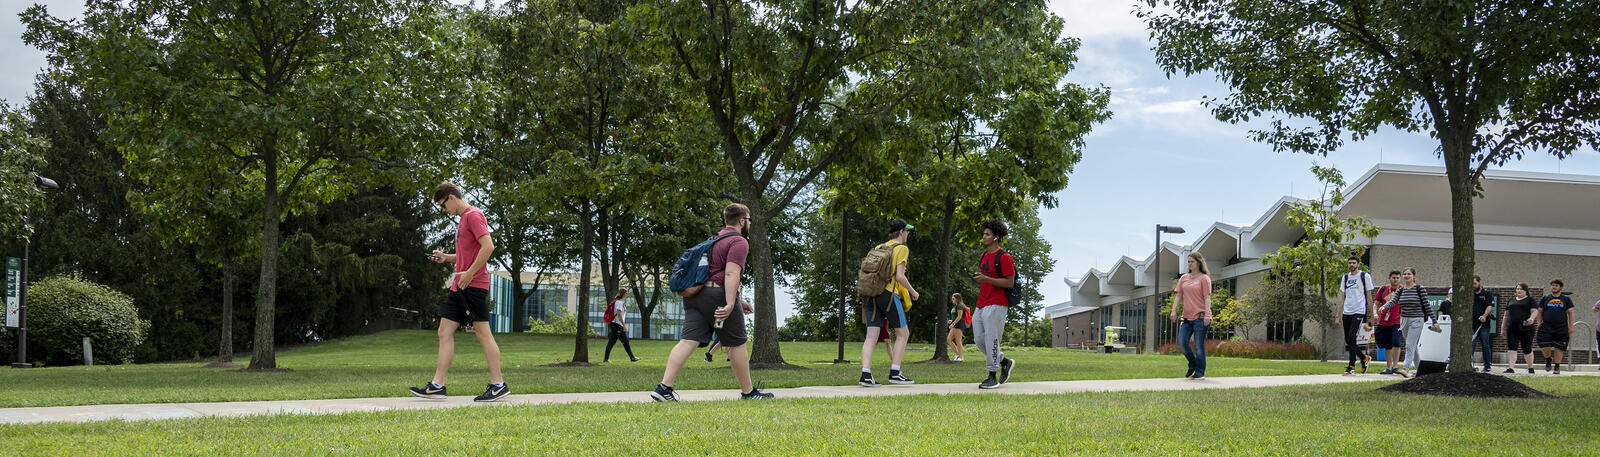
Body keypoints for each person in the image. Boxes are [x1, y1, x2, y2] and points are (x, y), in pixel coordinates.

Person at [650, 203, 771, 401]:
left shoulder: (714, 240)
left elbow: (712, 273)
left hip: (695, 296)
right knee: (737, 343)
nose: (749, 224)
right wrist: (731, 304)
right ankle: (749, 393)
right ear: (742, 221)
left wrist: (740, 301)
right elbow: (731, 274)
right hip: (717, 297)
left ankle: (664, 388)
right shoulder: (739, 242)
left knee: (687, 341)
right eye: (749, 220)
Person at [410, 182, 509, 402]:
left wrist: (470, 273)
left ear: (451, 197)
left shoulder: (473, 215)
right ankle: (437, 385)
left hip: (472, 285)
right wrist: (448, 258)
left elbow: (488, 247)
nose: (445, 210)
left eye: (444, 205)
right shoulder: (463, 219)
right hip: (459, 285)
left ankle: (498, 384)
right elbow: (469, 252)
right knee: (444, 331)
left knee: (483, 333)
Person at [860, 219, 920, 387]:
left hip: (871, 293)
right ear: (901, 232)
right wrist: (913, 292)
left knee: (871, 336)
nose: (907, 234)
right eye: (907, 231)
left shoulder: (880, 247)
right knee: (903, 334)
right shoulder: (902, 249)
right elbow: (900, 277)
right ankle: (895, 372)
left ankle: (865, 374)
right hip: (888, 294)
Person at [971, 219, 1017, 389]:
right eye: (984, 233)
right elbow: (987, 280)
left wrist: (986, 279)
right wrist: (981, 279)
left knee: (992, 339)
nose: (983, 236)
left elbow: (1009, 282)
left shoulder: (1005, 257)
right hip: (981, 303)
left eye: (987, 234)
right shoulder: (984, 256)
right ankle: (1004, 361)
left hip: (997, 303)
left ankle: (992, 376)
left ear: (996, 237)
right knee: (978, 339)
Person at [1377, 267, 1438, 378]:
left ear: (1414, 276)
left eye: (1408, 274)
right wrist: (1384, 306)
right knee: (1413, 346)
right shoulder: (1401, 290)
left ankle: (1406, 368)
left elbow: (1427, 306)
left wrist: (1434, 321)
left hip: (1417, 320)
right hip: (1404, 320)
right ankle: (1421, 370)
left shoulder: (1420, 289)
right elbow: (1393, 300)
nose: (1406, 276)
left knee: (1409, 345)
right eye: (1405, 274)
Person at [1169, 252, 1214, 380]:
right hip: (1187, 317)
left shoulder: (1204, 278)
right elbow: (1178, 296)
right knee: (1182, 342)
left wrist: (1207, 314)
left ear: (1199, 262)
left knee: (1199, 345)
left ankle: (1200, 372)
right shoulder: (1184, 278)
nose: (1189, 264)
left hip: (1201, 317)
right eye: (1188, 262)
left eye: (1192, 262)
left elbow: (1207, 297)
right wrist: (1173, 311)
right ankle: (1193, 364)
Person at [1334, 255, 1375, 375]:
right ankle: (1363, 358)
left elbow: (1369, 296)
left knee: (1352, 337)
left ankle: (1351, 366)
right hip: (1347, 311)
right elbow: (1342, 297)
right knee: (1348, 340)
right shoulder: (1345, 277)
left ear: (1358, 264)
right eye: (1350, 263)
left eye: (1353, 263)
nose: (1351, 265)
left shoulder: (1364, 276)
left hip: (1359, 310)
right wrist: (1338, 315)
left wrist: (1371, 315)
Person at [1535, 279, 1575, 375]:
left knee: (1559, 347)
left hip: (1561, 327)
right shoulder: (1545, 298)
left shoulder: (1566, 299)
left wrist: (1571, 326)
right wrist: (1539, 323)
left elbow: (1571, 312)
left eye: (1556, 285)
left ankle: (1557, 366)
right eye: (1552, 285)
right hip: (1546, 326)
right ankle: (1548, 359)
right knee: (1545, 345)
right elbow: (1539, 311)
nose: (1554, 287)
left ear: (1560, 287)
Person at [1373, 271, 1404, 375]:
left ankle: (1395, 366)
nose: (1395, 280)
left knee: (1396, 342)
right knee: (1387, 344)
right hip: (1384, 321)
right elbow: (1376, 304)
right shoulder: (1383, 289)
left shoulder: (1403, 290)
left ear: (1400, 279)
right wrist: (1375, 314)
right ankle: (1388, 367)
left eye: (1397, 278)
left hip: (1397, 321)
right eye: (1393, 277)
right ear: (1389, 278)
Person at [1502, 283, 1537, 374]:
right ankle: (1511, 368)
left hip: (1526, 328)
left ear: (1526, 290)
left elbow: (1535, 311)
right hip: (1512, 328)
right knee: (1511, 347)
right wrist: (1503, 328)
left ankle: (1530, 368)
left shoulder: (1530, 300)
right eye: (1517, 289)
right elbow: (1506, 316)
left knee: (1527, 348)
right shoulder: (1511, 300)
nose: (1519, 290)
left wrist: (1532, 318)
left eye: (1521, 289)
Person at [603, 289, 641, 363]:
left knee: (626, 342)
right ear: (623, 294)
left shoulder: (620, 302)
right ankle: (605, 359)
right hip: (617, 325)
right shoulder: (619, 303)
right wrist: (624, 325)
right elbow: (619, 314)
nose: (627, 295)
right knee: (611, 342)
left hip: (618, 325)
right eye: (626, 293)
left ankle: (632, 358)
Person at [1469, 276, 1496, 373]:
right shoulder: (1469, 293)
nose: (1473, 286)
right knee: (1471, 344)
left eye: (1475, 284)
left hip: (1483, 325)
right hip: (1471, 325)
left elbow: (1490, 306)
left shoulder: (1487, 293)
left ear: (1480, 282)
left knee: (1485, 345)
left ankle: (1487, 366)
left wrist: (1484, 316)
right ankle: (1469, 365)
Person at [947, 293, 971, 362]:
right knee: (949, 340)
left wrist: (953, 323)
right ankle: (958, 355)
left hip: (959, 325)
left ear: (957, 299)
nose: (952, 300)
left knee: (958, 341)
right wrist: (951, 321)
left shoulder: (959, 306)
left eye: (953, 298)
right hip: (955, 324)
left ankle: (961, 357)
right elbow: (955, 316)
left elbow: (960, 316)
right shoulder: (955, 306)